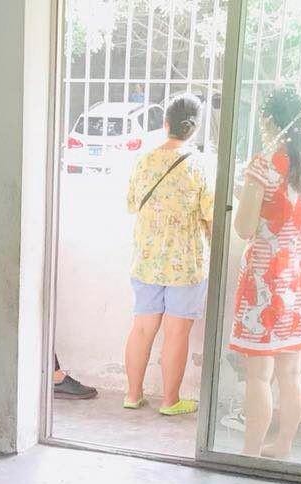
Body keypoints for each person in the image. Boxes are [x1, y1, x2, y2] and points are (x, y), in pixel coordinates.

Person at [226, 86, 301, 457]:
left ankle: (251, 451)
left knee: (259, 374)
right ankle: (283, 444)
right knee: (291, 370)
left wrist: (248, 192)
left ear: (270, 120)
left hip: (265, 280)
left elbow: (244, 228)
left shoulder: (264, 165)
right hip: (299, 279)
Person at [122, 94, 213, 416]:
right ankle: (170, 401)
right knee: (176, 332)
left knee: (142, 328)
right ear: (195, 128)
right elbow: (211, 214)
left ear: (165, 124)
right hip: (185, 264)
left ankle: (133, 394)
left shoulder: (144, 161)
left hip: (147, 260)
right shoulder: (200, 165)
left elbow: (131, 203)